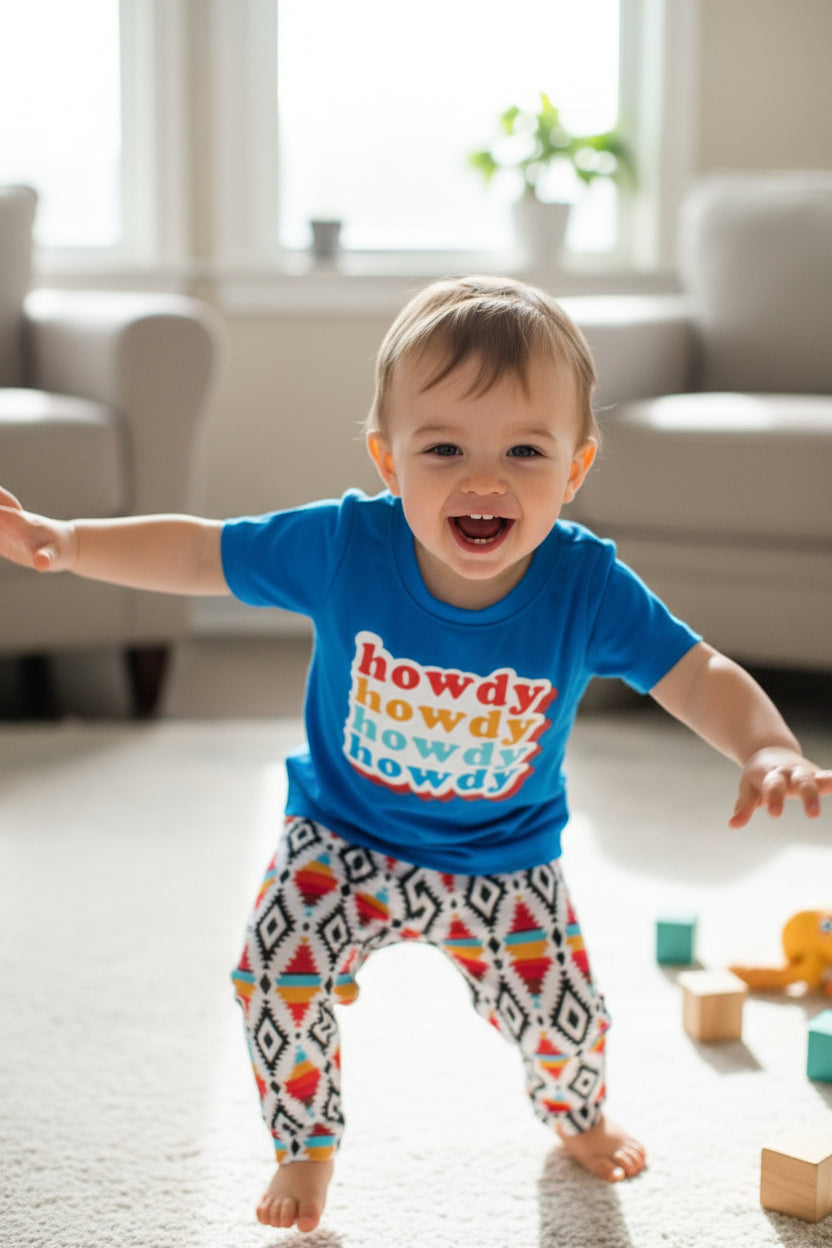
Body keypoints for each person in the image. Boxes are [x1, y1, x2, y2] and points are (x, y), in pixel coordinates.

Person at [0, 275, 830, 1236]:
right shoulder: (347, 545)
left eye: (526, 449)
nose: (486, 480)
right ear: (388, 460)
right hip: (341, 837)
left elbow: (693, 672)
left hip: (505, 857)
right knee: (273, 976)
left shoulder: (585, 584)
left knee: (565, 1017)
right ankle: (306, 1145)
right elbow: (201, 554)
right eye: (444, 448)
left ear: (576, 469)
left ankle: (578, 1116)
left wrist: (765, 743)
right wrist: (67, 542)